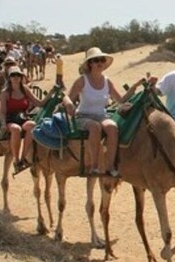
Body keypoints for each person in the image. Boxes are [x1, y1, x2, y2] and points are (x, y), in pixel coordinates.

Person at [62, 47, 148, 177]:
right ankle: (95, 166)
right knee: (95, 127)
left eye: (101, 60)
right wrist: (68, 103)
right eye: (96, 60)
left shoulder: (107, 81)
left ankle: (110, 166)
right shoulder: (82, 80)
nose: (99, 63)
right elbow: (67, 96)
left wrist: (135, 87)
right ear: (90, 63)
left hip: (101, 115)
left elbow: (120, 100)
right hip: (84, 116)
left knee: (112, 127)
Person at [0, 66, 44, 174]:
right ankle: (16, 160)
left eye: (18, 75)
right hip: (11, 118)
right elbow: (3, 111)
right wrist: (3, 123)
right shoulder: (5, 93)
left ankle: (23, 158)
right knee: (16, 129)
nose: (16, 77)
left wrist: (51, 95)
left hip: (23, 117)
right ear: (9, 78)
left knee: (32, 125)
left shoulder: (25, 89)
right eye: (13, 75)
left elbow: (38, 103)